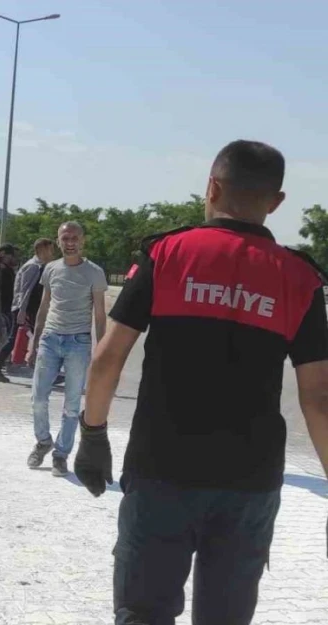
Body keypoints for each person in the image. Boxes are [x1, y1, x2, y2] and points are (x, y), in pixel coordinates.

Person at [75, 140, 328, 625]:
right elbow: (318, 397)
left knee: (143, 614)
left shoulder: (168, 254)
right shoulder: (300, 279)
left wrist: (92, 435)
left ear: (211, 186)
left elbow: (107, 359)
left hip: (161, 469)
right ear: (276, 202)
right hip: (249, 481)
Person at [25, 222, 107, 477]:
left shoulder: (94, 272)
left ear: (82, 240)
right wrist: (33, 341)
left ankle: (61, 454)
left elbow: (100, 316)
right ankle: (43, 441)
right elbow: (43, 307)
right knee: (38, 398)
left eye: (74, 237)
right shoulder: (50, 269)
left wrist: (101, 353)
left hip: (78, 342)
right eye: (64, 238)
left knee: (72, 405)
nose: (69, 242)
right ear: (58, 241)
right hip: (50, 339)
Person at [0, 238, 56, 382]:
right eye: (50, 250)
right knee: (19, 338)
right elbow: (24, 291)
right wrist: (22, 311)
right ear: (41, 250)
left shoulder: (41, 266)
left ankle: (44, 372)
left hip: (30, 308)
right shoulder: (32, 267)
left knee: (40, 338)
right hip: (24, 309)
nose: (52, 253)